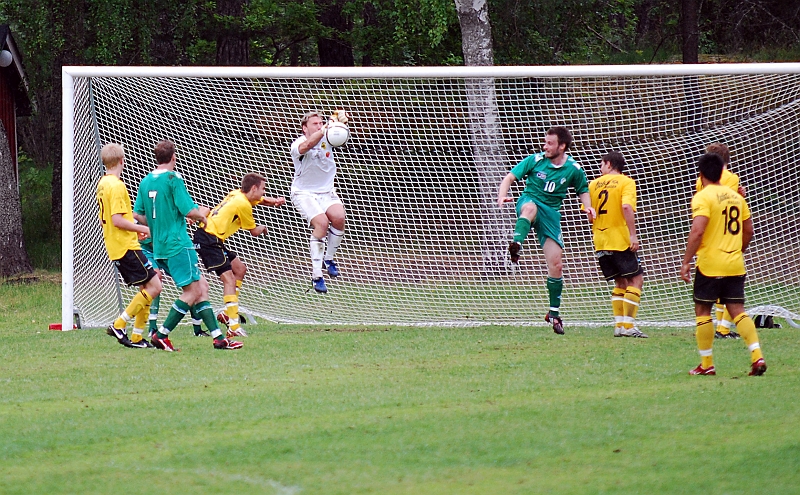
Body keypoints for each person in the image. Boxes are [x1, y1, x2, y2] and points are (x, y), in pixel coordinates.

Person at [133, 139, 242, 351]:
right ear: (173, 157)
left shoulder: (145, 181)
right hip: (178, 244)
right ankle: (162, 334)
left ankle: (219, 338)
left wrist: (158, 223)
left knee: (202, 287)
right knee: (192, 292)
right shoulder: (174, 179)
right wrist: (202, 218)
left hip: (159, 247)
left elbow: (138, 214)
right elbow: (188, 210)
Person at [497, 126, 596, 334]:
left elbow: (583, 190)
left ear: (562, 146)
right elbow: (509, 178)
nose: (545, 146)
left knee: (556, 265)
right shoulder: (535, 160)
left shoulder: (574, 169)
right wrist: (502, 195)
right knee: (529, 208)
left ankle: (554, 313)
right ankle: (517, 243)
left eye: (550, 143)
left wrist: (588, 207)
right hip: (530, 200)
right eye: (545, 142)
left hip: (551, 213)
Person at [680, 152, 766, 376]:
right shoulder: (737, 197)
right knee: (737, 309)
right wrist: (739, 250)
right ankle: (757, 356)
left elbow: (698, 230)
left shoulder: (703, 196)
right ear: (721, 172)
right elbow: (749, 230)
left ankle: (706, 364)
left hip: (711, 263)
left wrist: (687, 260)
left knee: (702, 310)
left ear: (700, 175)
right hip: (735, 263)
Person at [194, 173, 285, 337]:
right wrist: (263, 227)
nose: (264, 192)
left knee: (240, 269)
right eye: (263, 189)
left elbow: (260, 200)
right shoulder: (243, 205)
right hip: (209, 239)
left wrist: (273, 201)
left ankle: (228, 314)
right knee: (229, 279)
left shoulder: (237, 193)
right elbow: (254, 232)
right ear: (254, 188)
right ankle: (233, 326)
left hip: (212, 237)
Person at [96, 143, 162, 349]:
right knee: (155, 285)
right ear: (122, 161)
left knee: (147, 287)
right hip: (125, 246)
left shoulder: (103, 183)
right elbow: (117, 219)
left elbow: (110, 219)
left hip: (120, 243)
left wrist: (136, 231)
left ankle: (136, 337)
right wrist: (145, 229)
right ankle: (119, 324)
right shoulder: (116, 186)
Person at [588, 151, 647, 338]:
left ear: (609, 164)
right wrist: (632, 235)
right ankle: (629, 326)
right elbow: (626, 207)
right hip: (619, 239)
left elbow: (590, 214)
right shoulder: (626, 182)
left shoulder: (593, 184)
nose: (600, 167)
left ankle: (619, 325)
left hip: (600, 240)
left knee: (620, 282)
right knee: (636, 280)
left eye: (601, 164)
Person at [290, 110, 349, 294]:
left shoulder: (327, 137)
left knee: (339, 218)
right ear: (304, 128)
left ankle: (328, 259)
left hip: (326, 191)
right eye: (314, 124)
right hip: (304, 193)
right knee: (322, 223)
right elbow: (308, 144)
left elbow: (339, 136)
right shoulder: (298, 143)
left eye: (320, 122)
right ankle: (317, 276)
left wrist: (340, 124)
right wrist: (325, 128)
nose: (319, 125)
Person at [696, 143, 745, 339]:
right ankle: (723, 328)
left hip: (707, 232)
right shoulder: (731, 178)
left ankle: (717, 329)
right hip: (726, 233)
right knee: (729, 284)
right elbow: (727, 202)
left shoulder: (700, 180)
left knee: (712, 282)